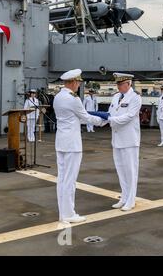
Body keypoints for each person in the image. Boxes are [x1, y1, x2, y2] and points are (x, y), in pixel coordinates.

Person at [53, 69, 105, 223]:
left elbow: (74, 118)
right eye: (78, 82)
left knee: (62, 179)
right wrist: (103, 121)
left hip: (61, 142)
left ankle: (63, 213)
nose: (79, 85)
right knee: (70, 180)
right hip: (72, 144)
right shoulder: (73, 99)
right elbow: (86, 117)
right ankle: (69, 214)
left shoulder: (58, 97)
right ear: (73, 82)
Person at [107, 73, 142, 211]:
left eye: (121, 84)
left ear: (128, 83)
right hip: (116, 139)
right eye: (117, 84)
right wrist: (104, 119)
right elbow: (111, 112)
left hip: (129, 139)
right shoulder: (116, 96)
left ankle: (131, 200)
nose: (119, 86)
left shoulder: (135, 97)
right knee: (121, 170)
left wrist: (111, 120)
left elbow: (129, 116)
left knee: (131, 171)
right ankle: (124, 197)